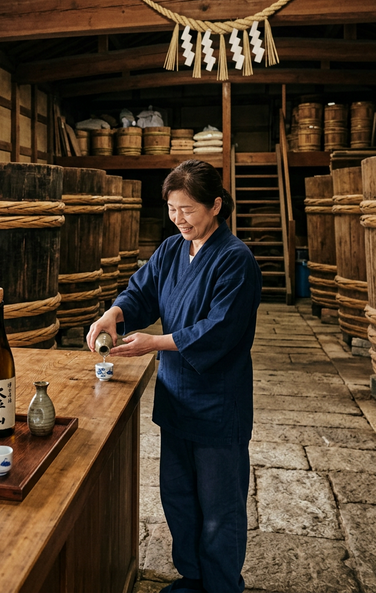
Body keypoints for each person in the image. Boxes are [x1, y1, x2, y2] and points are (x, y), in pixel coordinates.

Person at [87, 160, 262, 593]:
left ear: (216, 205)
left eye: (187, 209)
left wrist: (154, 343)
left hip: (219, 402)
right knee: (180, 498)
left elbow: (218, 329)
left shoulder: (236, 260)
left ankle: (221, 586)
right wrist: (114, 313)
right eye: (171, 209)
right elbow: (141, 291)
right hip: (178, 396)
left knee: (220, 507)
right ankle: (193, 578)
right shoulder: (170, 250)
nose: (178, 218)